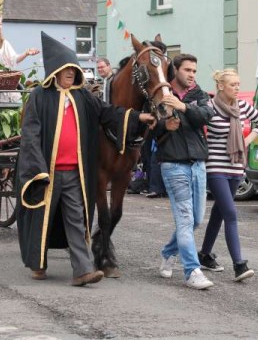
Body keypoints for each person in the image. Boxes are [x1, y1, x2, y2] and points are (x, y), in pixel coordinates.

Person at [16, 32, 155, 286]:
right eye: (66, 69)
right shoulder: (39, 97)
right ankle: (38, 263)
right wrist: (37, 169)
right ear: (55, 71)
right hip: (47, 173)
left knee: (77, 219)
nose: (71, 73)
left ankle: (82, 270)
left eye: (74, 69)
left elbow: (107, 112)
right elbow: (31, 135)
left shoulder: (82, 97)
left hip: (74, 172)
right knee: (42, 219)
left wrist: (137, 118)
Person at [150, 54, 215, 290]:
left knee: (196, 219)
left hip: (198, 164)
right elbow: (149, 129)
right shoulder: (160, 95)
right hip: (173, 164)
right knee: (185, 219)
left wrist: (184, 107)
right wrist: (163, 125)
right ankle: (192, 271)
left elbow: (206, 116)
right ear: (175, 70)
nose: (191, 75)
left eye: (194, 71)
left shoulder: (198, 95)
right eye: (187, 70)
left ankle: (168, 252)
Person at [199, 68, 258, 282]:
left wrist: (246, 142)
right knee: (230, 213)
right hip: (215, 167)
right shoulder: (209, 107)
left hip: (236, 166)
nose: (237, 88)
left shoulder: (242, 106)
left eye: (238, 84)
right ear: (221, 86)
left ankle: (204, 255)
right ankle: (239, 264)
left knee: (219, 213)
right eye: (233, 85)